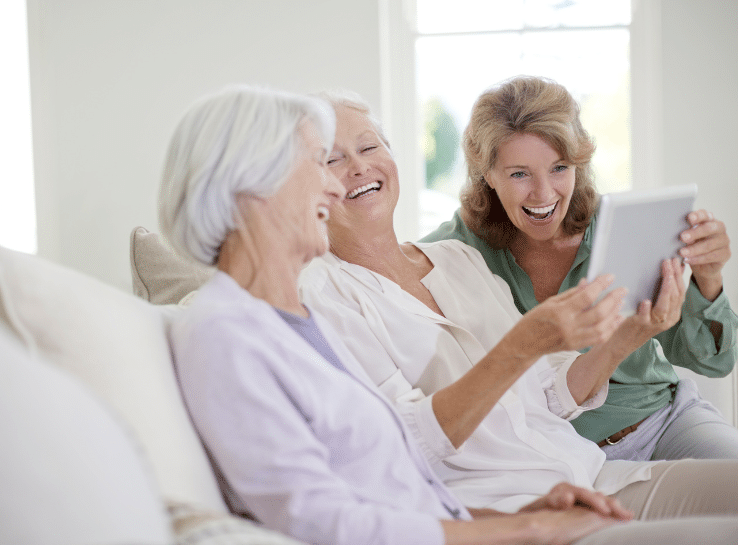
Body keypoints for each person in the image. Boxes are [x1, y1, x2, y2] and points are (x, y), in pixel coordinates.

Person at [157, 85, 738, 545]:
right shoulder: (245, 324)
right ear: (247, 188)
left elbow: (397, 470)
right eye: (321, 161)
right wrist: (514, 525)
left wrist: (627, 337)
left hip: (564, 484)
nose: (337, 182)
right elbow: (341, 501)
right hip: (513, 511)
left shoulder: (315, 304)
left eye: (367, 148)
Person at [421, 75, 738, 461]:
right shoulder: (450, 252)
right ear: (487, 174)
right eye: (519, 173)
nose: (543, 193)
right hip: (556, 455)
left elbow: (713, 360)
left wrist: (708, 277)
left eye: (559, 168)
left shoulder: (625, 227)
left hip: (664, 423)